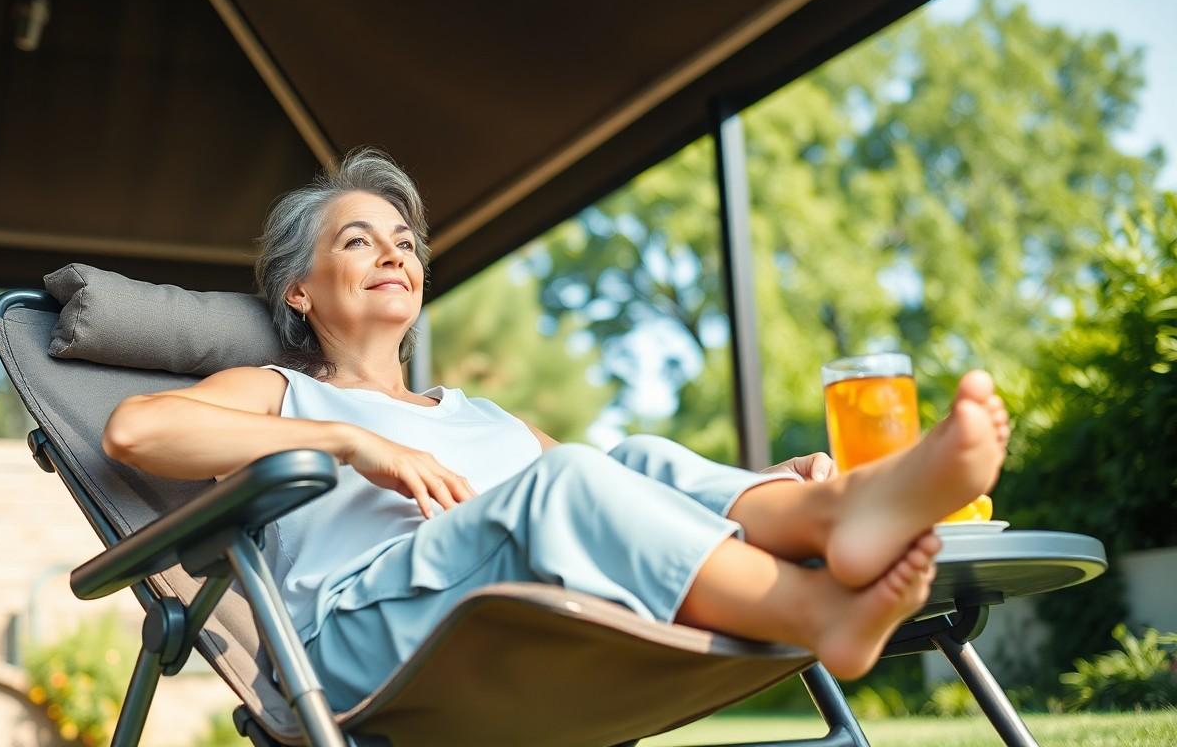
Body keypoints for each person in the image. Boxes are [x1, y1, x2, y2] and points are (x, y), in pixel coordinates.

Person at [102, 148, 1011, 710]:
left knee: (631, 457)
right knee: (570, 476)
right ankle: (820, 611)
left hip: (510, 605)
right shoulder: (281, 391)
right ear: (298, 291)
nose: (394, 253)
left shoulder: (483, 416)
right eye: (358, 240)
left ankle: (836, 510)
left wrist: (770, 481)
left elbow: (623, 494)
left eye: (406, 242)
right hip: (363, 642)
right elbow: (138, 432)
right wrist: (347, 442)